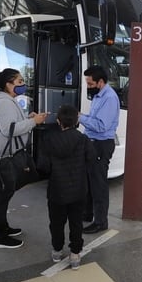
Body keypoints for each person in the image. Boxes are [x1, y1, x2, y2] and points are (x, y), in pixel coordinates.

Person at [0, 68, 48, 248]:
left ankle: (4, 228)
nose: (23, 84)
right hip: (2, 156)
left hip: (5, 154)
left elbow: (11, 124)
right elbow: (9, 130)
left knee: (7, 191)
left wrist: (29, 118)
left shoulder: (6, 100)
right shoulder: (4, 102)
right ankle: (0, 237)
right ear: (8, 84)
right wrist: (34, 122)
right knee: (3, 195)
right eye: (19, 82)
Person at [41, 105, 95, 270]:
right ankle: (75, 255)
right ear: (77, 121)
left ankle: (57, 251)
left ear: (58, 121)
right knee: (76, 223)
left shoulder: (49, 139)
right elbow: (91, 159)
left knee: (56, 223)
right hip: (78, 190)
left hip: (57, 191)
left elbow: (44, 166)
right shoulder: (83, 139)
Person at [79, 65, 120, 234]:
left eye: (90, 83)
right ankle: (87, 214)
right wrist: (82, 116)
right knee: (88, 181)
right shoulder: (98, 95)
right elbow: (93, 119)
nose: (88, 86)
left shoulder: (109, 98)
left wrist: (79, 117)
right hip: (92, 142)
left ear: (100, 82)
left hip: (101, 145)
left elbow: (101, 126)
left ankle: (100, 221)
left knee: (98, 185)